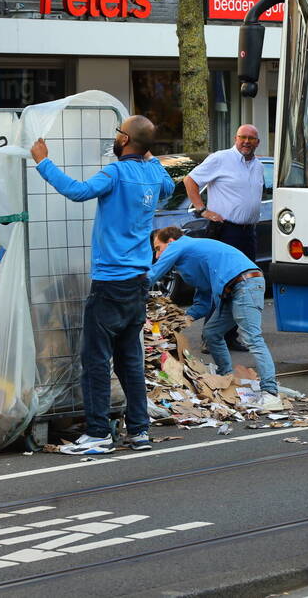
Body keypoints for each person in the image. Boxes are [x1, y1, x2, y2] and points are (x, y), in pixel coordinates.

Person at [31, 115, 175, 455]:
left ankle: (98, 432)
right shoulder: (153, 174)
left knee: (95, 359)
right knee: (129, 357)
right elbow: (168, 187)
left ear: (125, 140)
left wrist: (43, 162)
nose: (114, 137)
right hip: (138, 280)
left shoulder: (115, 173)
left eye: (118, 132)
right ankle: (139, 431)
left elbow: (77, 191)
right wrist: (150, 155)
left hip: (110, 279)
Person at [149, 226, 282, 411]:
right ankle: (225, 378)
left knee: (252, 338)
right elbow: (203, 301)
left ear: (170, 243)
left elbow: (153, 274)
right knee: (212, 333)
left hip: (245, 283)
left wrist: (128, 286)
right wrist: (182, 320)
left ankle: (270, 393)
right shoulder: (190, 260)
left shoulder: (180, 245)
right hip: (234, 288)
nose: (157, 256)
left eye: (157, 248)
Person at [183, 123, 265, 351]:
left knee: (243, 286)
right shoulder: (221, 158)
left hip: (248, 232)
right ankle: (210, 337)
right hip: (226, 231)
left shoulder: (257, 166)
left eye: (251, 138)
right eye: (243, 137)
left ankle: (229, 336)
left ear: (258, 142)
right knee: (222, 284)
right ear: (235, 138)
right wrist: (202, 209)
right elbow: (190, 180)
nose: (246, 142)